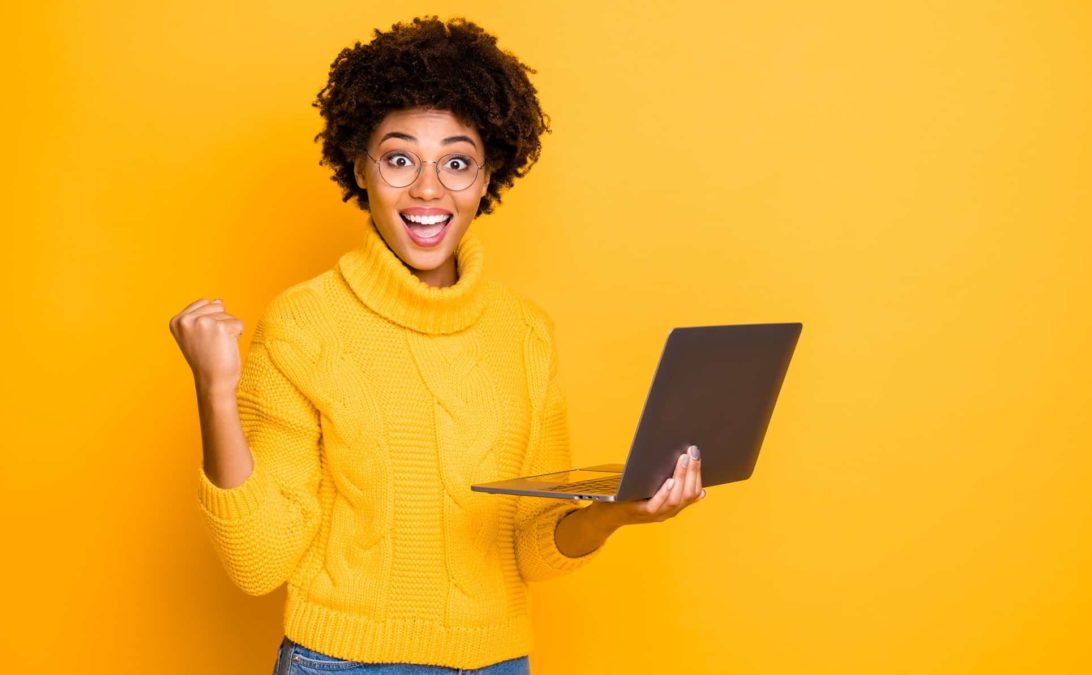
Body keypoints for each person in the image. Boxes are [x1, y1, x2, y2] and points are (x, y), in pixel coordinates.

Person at [168, 16, 705, 674]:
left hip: (498, 662)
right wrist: (215, 392)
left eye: (456, 162)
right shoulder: (304, 325)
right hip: (344, 664)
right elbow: (257, 561)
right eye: (400, 159)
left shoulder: (525, 332)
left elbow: (533, 547)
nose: (428, 188)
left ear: (486, 177)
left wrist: (617, 512)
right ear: (360, 166)